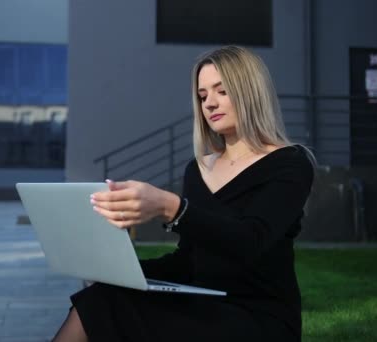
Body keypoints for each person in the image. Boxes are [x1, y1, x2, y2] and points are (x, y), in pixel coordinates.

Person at [52, 46, 315, 341]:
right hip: (204, 304)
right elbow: (189, 261)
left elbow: (250, 240)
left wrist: (171, 208)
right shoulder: (198, 169)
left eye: (222, 91)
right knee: (101, 298)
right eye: (203, 96)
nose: (210, 104)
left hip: (258, 316)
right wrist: (119, 272)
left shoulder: (290, 163)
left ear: (250, 92)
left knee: (112, 310)